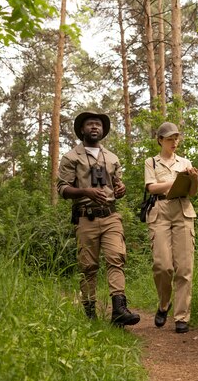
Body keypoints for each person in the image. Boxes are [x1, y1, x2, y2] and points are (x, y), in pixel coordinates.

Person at [57, 111, 140, 327]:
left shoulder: (112, 158)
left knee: (116, 258)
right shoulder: (70, 158)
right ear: (82, 130)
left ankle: (119, 310)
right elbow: (62, 189)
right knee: (88, 266)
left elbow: (117, 183)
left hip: (111, 215)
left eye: (98, 125)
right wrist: (86, 192)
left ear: (103, 130)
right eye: (90, 124)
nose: (95, 127)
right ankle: (90, 314)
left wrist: (121, 189)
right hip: (86, 217)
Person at [144, 121, 198, 333]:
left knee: (184, 268)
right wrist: (176, 180)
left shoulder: (185, 162)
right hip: (160, 211)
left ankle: (182, 316)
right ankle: (163, 304)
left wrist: (193, 178)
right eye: (169, 139)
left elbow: (192, 192)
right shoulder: (152, 162)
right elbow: (152, 187)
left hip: (183, 210)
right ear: (160, 140)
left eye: (176, 137)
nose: (174, 142)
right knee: (162, 266)